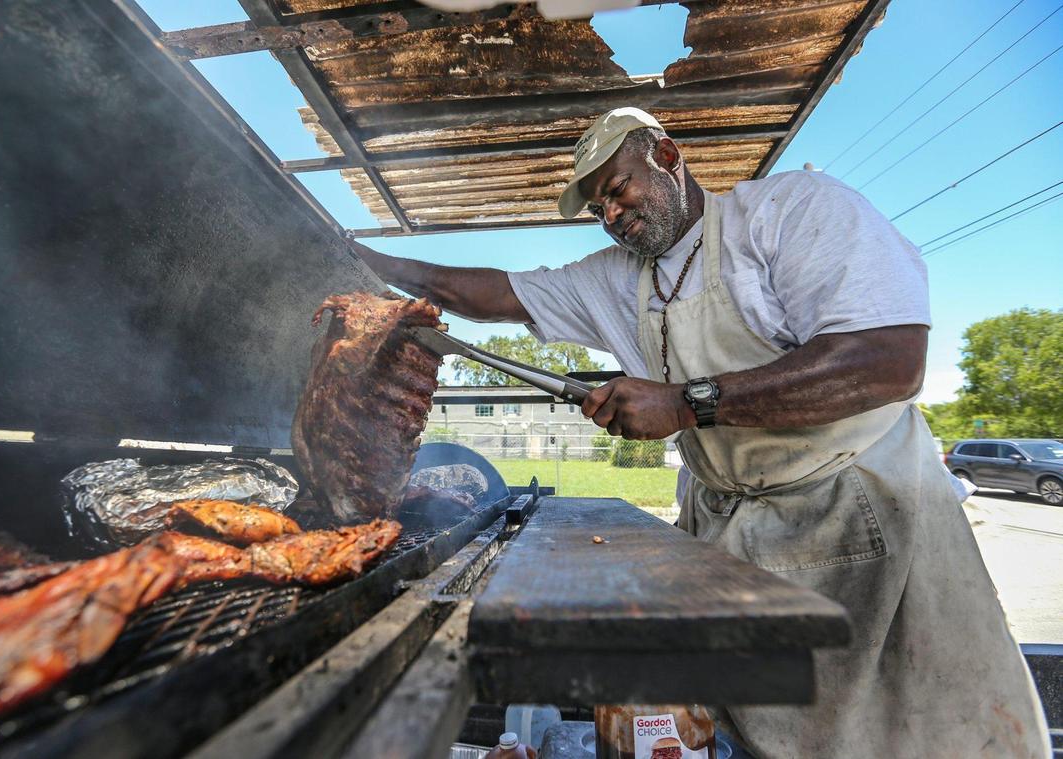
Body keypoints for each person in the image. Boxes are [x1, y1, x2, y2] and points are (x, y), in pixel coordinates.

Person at [352, 108, 1049, 758]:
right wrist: (376, 267)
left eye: (619, 190)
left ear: (667, 155)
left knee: (905, 730)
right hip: (733, 534)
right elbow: (495, 293)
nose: (612, 217)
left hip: (862, 521)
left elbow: (889, 359)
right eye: (598, 209)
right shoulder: (616, 278)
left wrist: (686, 404)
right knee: (749, 729)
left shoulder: (788, 213)